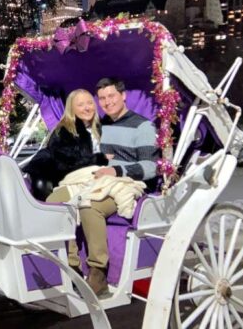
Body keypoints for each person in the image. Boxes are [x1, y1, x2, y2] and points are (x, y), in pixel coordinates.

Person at [77, 77, 158, 295]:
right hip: (100, 179)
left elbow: (151, 166)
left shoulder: (143, 126)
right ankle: (73, 264)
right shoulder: (100, 125)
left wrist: (117, 170)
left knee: (89, 206)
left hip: (128, 183)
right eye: (102, 98)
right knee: (66, 198)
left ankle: (98, 272)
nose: (107, 102)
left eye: (111, 96)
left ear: (123, 96)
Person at [23, 89, 110, 200]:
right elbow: (66, 165)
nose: (87, 108)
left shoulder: (104, 127)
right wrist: (99, 159)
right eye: (81, 105)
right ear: (71, 109)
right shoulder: (64, 131)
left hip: (102, 176)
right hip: (74, 180)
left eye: (90, 103)